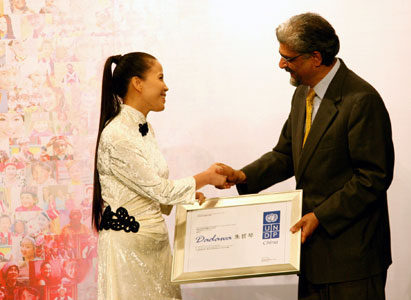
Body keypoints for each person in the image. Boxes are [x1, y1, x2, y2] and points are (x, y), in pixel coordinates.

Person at [216, 13, 394, 300]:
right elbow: (286, 154)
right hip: (312, 258)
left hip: (352, 260)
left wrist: (320, 216)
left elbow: (373, 178)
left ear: (315, 57)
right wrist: (243, 176)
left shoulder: (361, 100)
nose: (281, 64)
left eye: (289, 58)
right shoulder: (302, 95)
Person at [92, 52, 227, 300]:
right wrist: (206, 177)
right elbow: (159, 189)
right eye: (161, 77)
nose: (166, 86)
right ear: (138, 83)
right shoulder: (117, 135)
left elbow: (153, 193)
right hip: (128, 250)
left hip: (155, 244)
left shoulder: (144, 128)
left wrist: (185, 196)